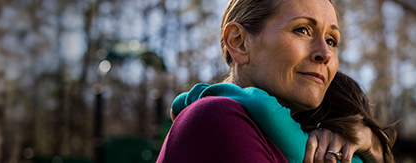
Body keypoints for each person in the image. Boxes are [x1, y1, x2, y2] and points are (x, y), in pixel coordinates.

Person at [156, 0, 388, 162]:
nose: (325, 54)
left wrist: (372, 144)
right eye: (303, 30)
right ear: (238, 42)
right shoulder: (215, 116)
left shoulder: (313, 138)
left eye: (331, 40)